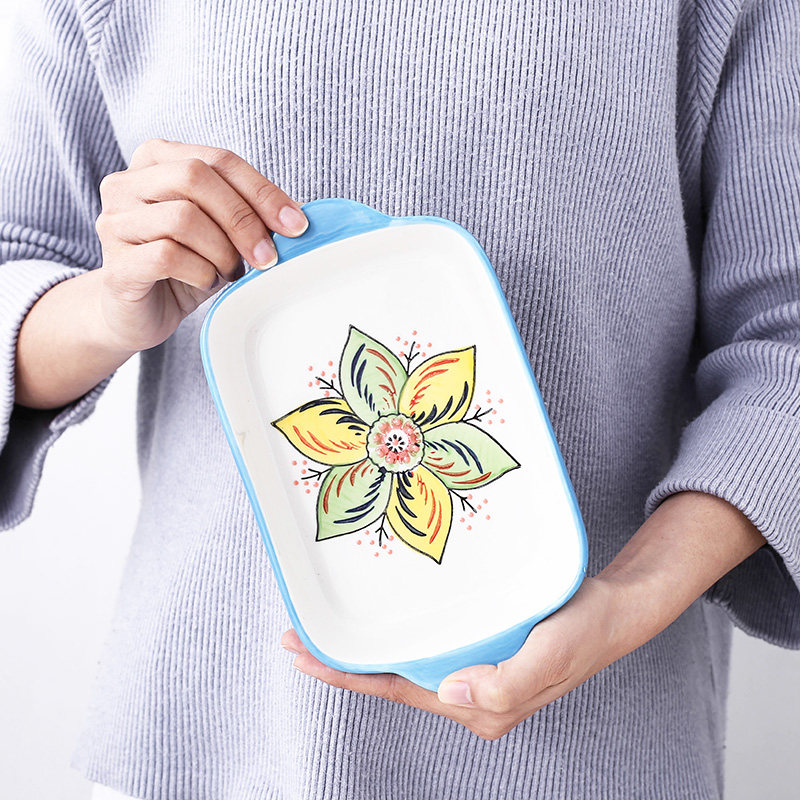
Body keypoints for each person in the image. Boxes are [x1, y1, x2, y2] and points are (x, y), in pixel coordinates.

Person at [1, 0, 798, 798]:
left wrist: (633, 597)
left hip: (596, 746)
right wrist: (109, 310)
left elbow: (784, 342)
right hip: (206, 742)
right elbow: (18, 265)